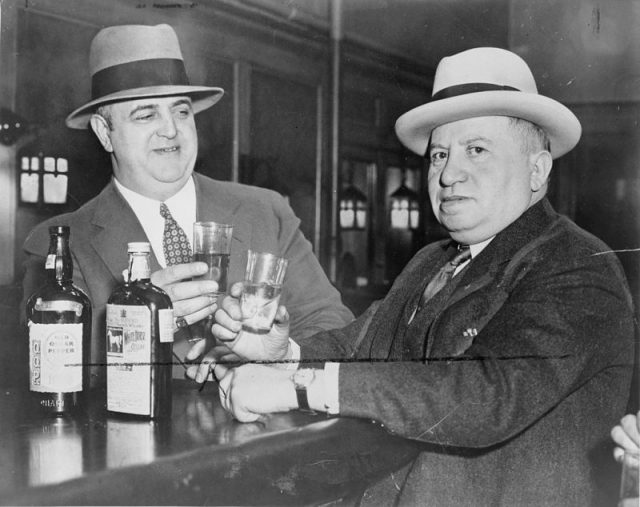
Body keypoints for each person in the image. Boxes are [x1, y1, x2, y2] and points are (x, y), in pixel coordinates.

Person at [195, 47, 635, 506]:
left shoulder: (578, 264)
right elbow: (358, 348)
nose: (448, 175)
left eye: (477, 150)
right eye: (439, 154)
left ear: (537, 170)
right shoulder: (432, 259)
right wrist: (283, 353)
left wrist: (295, 386)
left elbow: (485, 395)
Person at [21, 24, 353, 387]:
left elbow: (337, 331)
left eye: (181, 112)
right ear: (104, 132)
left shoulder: (266, 212)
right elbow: (50, 370)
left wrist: (274, 358)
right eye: (146, 115)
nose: (170, 130)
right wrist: (140, 327)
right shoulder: (61, 243)